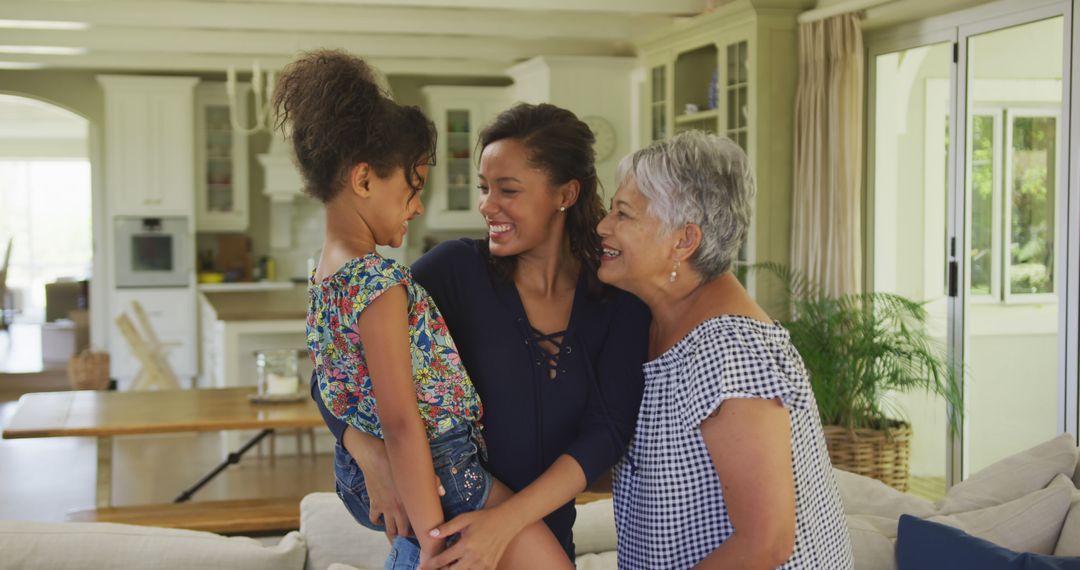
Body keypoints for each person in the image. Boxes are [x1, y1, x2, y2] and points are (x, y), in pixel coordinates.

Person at [312, 102, 651, 569]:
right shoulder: (453, 272)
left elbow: (606, 433)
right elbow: (337, 364)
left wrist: (505, 523)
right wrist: (365, 447)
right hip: (435, 554)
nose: (487, 206)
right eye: (484, 188)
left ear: (565, 194)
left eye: (507, 190)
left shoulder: (617, 301)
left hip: (537, 551)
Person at [275, 50, 574, 570]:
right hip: (442, 468)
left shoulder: (325, 274)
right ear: (364, 180)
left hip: (375, 469)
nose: (417, 206)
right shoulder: (379, 283)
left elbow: (339, 381)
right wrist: (434, 541)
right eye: (412, 189)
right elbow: (401, 422)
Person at [596, 130, 854, 569]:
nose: (603, 226)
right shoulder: (655, 320)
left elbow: (765, 542)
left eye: (623, 214)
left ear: (683, 241)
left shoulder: (728, 350)